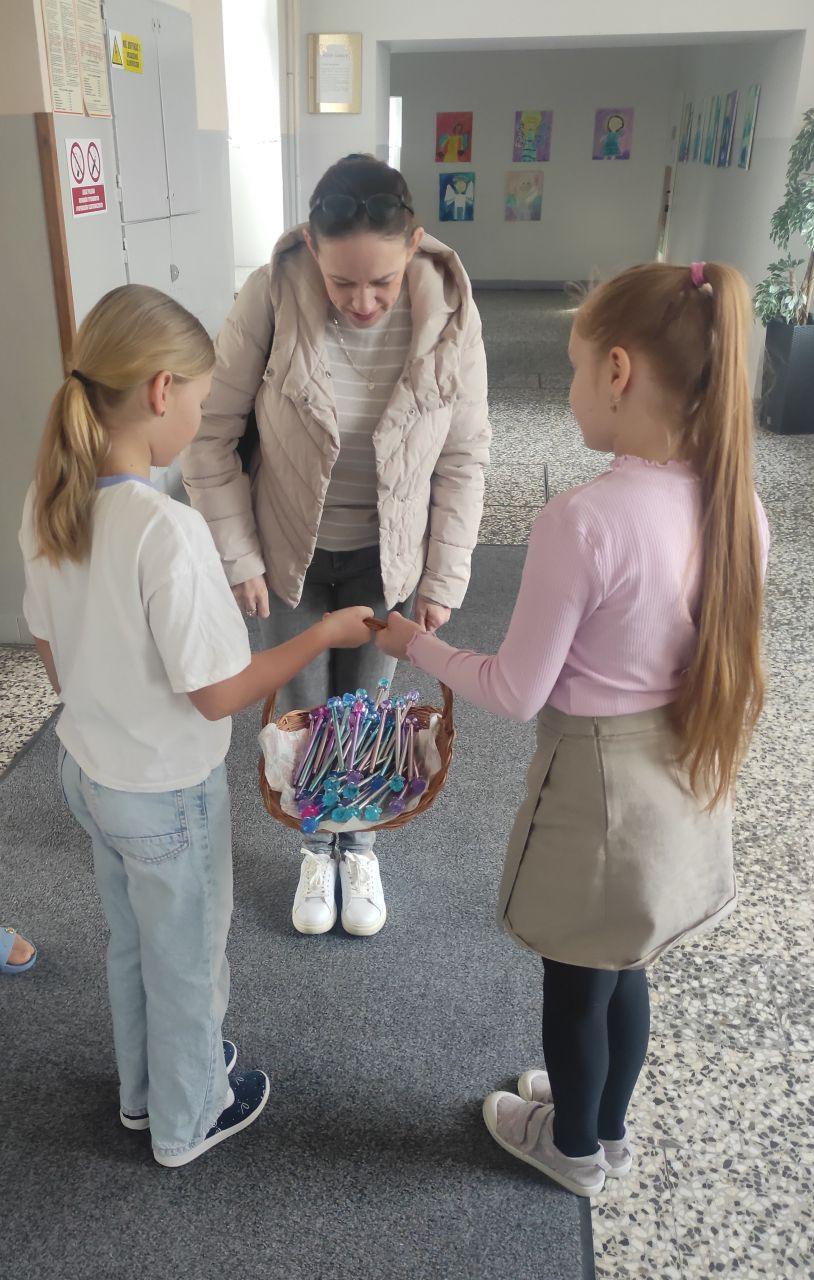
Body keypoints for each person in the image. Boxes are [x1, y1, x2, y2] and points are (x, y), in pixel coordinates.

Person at [375, 261, 768, 1196]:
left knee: (575, 983)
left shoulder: (583, 522)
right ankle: (606, 1125)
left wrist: (413, 644)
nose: (572, 391)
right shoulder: (739, 507)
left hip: (595, 794)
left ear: (619, 372)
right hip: (679, 776)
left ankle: (573, 1148)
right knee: (627, 965)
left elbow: (515, 690)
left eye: (576, 369)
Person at [18, 285, 372, 1168]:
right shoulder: (167, 530)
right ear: (160, 391)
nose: (205, 417)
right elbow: (217, 695)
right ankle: (190, 1119)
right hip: (166, 791)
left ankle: (146, 1093)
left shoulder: (49, 500)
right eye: (204, 400)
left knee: (135, 944)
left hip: (90, 774)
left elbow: (53, 655)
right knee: (188, 960)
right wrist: (320, 636)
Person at [182, 154, 490, 939]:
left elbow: (464, 455)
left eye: (381, 281)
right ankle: (316, 848)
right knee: (302, 709)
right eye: (341, 282)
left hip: (389, 557)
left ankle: (360, 845)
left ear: (413, 243)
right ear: (311, 249)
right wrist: (240, 556)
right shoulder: (270, 293)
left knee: (368, 711)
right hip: (291, 552)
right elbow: (209, 437)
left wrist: (444, 576)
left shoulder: (451, 311)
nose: (362, 301)